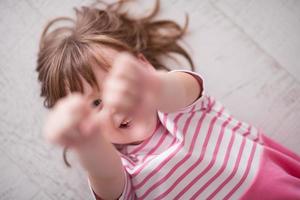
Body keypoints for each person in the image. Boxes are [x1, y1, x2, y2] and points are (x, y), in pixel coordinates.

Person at [36, 1, 300, 199]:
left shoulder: (179, 108)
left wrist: (148, 85)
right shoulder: (123, 169)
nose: (116, 103)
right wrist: (89, 142)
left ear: (144, 66)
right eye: (95, 104)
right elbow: (105, 173)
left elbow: (174, 90)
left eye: (119, 81)